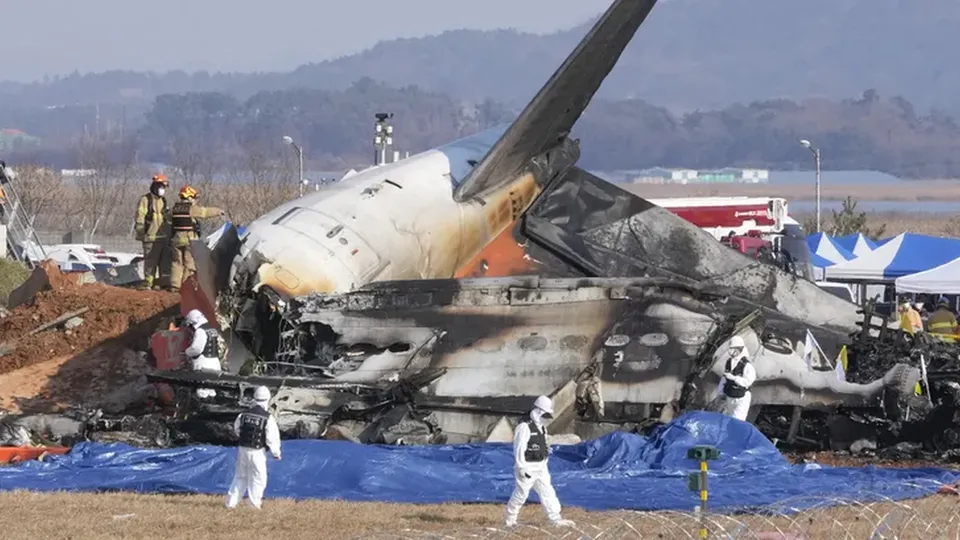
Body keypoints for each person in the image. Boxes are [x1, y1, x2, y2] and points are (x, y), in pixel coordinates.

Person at [504, 395, 575, 528]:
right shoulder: (524, 427)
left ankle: (555, 518)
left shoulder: (541, 427)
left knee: (547, 491)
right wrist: (521, 467)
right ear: (538, 412)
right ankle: (510, 520)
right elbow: (519, 448)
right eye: (545, 415)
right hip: (528, 467)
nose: (546, 419)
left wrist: (546, 452)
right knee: (521, 494)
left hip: (541, 466)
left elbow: (543, 442)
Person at [226, 385, 282, 509]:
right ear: (267, 399)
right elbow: (272, 437)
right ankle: (254, 504)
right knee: (258, 478)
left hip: (242, 450)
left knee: (240, 476)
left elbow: (237, 430)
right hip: (258, 451)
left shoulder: (243, 415)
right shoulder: (268, 417)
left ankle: (231, 503)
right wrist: (276, 453)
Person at [169, 185, 225, 292]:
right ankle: (186, 286)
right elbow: (205, 212)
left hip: (176, 240)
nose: (195, 200)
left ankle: (174, 286)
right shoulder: (191, 209)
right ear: (189, 197)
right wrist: (218, 211)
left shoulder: (174, 209)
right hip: (189, 240)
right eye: (194, 197)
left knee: (176, 263)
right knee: (189, 264)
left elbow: (167, 217)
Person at [135, 174, 170, 290]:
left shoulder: (163, 201)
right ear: (155, 186)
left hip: (163, 237)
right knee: (151, 262)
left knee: (164, 263)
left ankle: (162, 284)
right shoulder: (145, 200)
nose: (163, 190)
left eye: (164, 187)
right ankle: (148, 283)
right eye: (161, 187)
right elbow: (140, 217)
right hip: (150, 237)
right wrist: (141, 233)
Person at [182, 309, 222, 399]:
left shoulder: (200, 331)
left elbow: (197, 349)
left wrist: (187, 352)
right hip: (215, 362)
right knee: (212, 389)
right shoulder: (212, 328)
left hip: (204, 363)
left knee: (202, 391)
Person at [717, 335, 756, 422]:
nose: (730, 351)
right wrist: (720, 391)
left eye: (732, 349)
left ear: (738, 349)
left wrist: (734, 378)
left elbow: (748, 382)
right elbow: (725, 377)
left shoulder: (747, 365)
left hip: (741, 398)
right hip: (730, 396)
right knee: (728, 418)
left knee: (737, 421)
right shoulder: (728, 362)